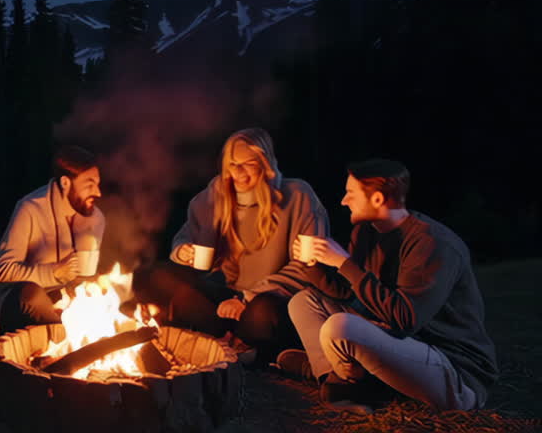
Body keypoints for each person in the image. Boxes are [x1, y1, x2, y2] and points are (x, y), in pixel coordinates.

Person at [278, 159, 497, 413]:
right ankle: (334, 380)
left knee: (340, 327)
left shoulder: (432, 244)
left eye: (350, 194)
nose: (343, 201)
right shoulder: (366, 233)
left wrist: (344, 262)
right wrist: (311, 263)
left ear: (378, 199)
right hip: (398, 343)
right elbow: (347, 292)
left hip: (452, 368)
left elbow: (405, 318)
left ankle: (338, 377)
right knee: (304, 301)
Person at [133, 128, 329, 364]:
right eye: (233, 164)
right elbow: (186, 235)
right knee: (158, 275)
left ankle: (239, 342)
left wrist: (248, 297)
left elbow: (307, 267)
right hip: (223, 298)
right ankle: (232, 341)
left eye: (248, 164)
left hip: (270, 297)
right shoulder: (218, 192)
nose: (238, 172)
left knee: (263, 313)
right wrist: (184, 250)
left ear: (265, 164)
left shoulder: (298, 196)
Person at [0, 144, 105, 331]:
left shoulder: (96, 218)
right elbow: (3, 271)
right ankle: (65, 335)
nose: (98, 193)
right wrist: (53, 273)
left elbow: (87, 274)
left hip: (68, 301)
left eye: (98, 184)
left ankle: (73, 335)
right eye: (89, 185)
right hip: (25, 302)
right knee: (31, 295)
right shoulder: (30, 209)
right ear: (66, 183)